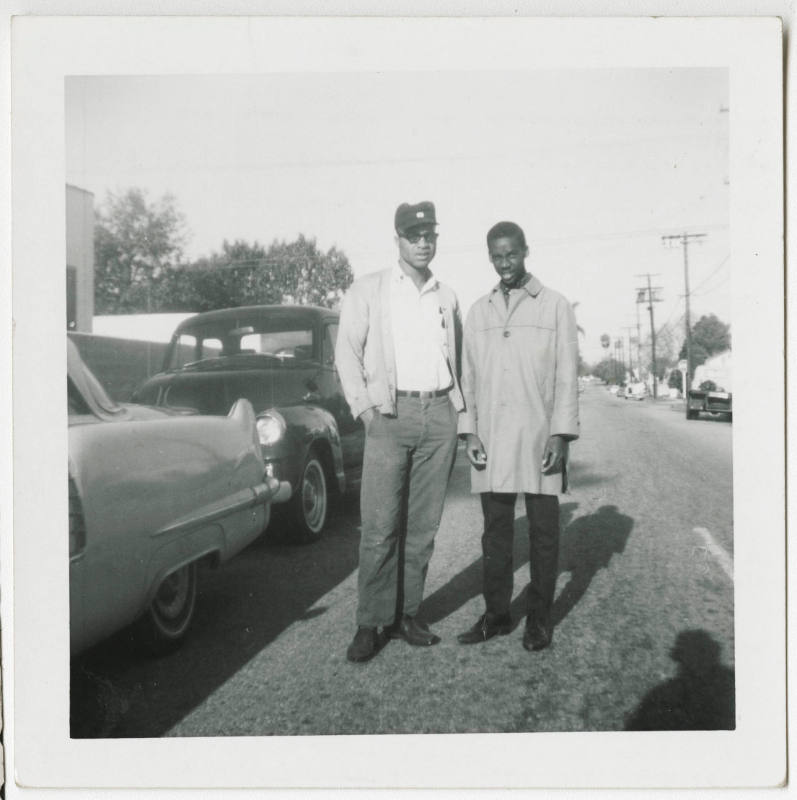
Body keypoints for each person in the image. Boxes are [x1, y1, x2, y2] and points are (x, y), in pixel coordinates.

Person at [335, 201, 464, 663]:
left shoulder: (445, 295)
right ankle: (371, 623)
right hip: (390, 416)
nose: (423, 241)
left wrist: (458, 417)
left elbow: (458, 360)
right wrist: (366, 411)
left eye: (429, 233)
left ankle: (408, 615)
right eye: (413, 234)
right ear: (397, 239)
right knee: (379, 526)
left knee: (422, 528)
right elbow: (346, 354)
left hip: (438, 417)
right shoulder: (369, 290)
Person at [456, 220, 579, 652]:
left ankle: (539, 621)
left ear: (526, 250)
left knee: (544, 534)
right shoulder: (478, 312)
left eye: (511, 254)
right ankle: (496, 616)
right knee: (495, 534)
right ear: (490, 257)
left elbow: (566, 375)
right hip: (491, 442)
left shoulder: (555, 306)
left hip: (539, 439)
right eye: (496, 256)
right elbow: (466, 378)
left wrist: (561, 436)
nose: (504, 263)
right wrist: (469, 433)